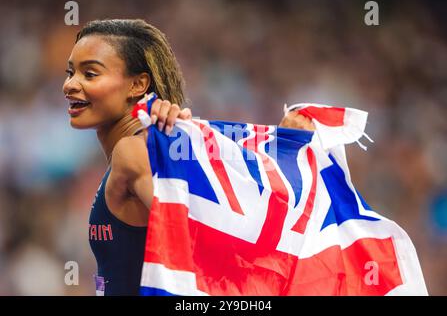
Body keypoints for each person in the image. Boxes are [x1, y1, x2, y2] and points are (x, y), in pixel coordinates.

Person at [62, 19, 314, 296]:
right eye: (70, 72)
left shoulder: (132, 152)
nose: (70, 85)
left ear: (137, 84)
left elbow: (207, 242)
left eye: (90, 74)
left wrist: (284, 153)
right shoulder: (143, 149)